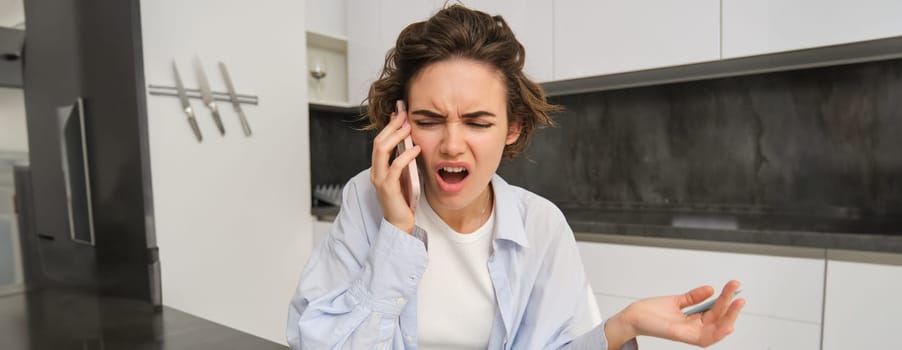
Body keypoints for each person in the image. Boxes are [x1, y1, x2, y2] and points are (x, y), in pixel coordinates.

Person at [288, 5, 744, 349]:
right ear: (400, 123)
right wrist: (396, 233)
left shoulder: (540, 226)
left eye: (478, 122)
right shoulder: (367, 201)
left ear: (513, 127)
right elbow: (315, 341)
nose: (451, 144)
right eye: (428, 120)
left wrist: (622, 325)